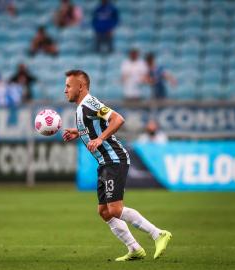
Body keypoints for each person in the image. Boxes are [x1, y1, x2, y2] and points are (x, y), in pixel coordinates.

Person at [62, 70, 172, 261]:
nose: (65, 90)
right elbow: (93, 127)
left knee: (114, 209)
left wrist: (99, 139)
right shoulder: (82, 108)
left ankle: (158, 234)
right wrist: (78, 132)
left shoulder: (90, 103)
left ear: (81, 86)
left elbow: (118, 119)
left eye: (68, 86)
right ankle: (134, 249)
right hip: (105, 163)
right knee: (104, 211)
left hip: (115, 159)